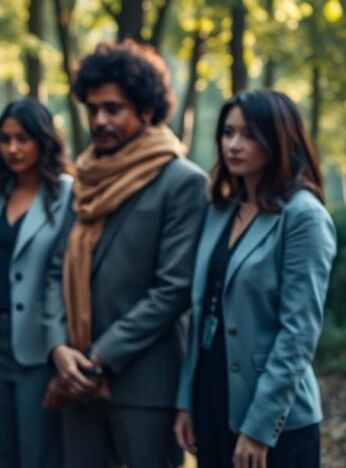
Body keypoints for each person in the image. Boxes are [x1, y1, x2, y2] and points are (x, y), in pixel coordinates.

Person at [43, 40, 208, 468]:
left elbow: (173, 290)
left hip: (144, 388)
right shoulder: (85, 179)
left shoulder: (183, 182)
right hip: (76, 381)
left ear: (147, 110)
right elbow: (56, 269)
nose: (99, 120)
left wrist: (98, 358)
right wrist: (59, 348)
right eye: (93, 108)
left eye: (113, 109)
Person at [174, 90, 336, 468]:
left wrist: (260, 428)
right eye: (227, 132)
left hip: (271, 414)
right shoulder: (220, 210)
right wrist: (186, 401)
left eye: (249, 135)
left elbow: (299, 333)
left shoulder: (303, 216)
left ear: (278, 139)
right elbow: (201, 312)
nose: (233, 145)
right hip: (212, 395)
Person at [0, 99, 71, 468]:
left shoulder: (67, 194)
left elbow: (70, 278)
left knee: (38, 456)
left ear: (43, 140)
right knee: (0, 456)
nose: (12, 148)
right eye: (5, 139)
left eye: (23, 139)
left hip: (42, 348)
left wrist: (62, 356)